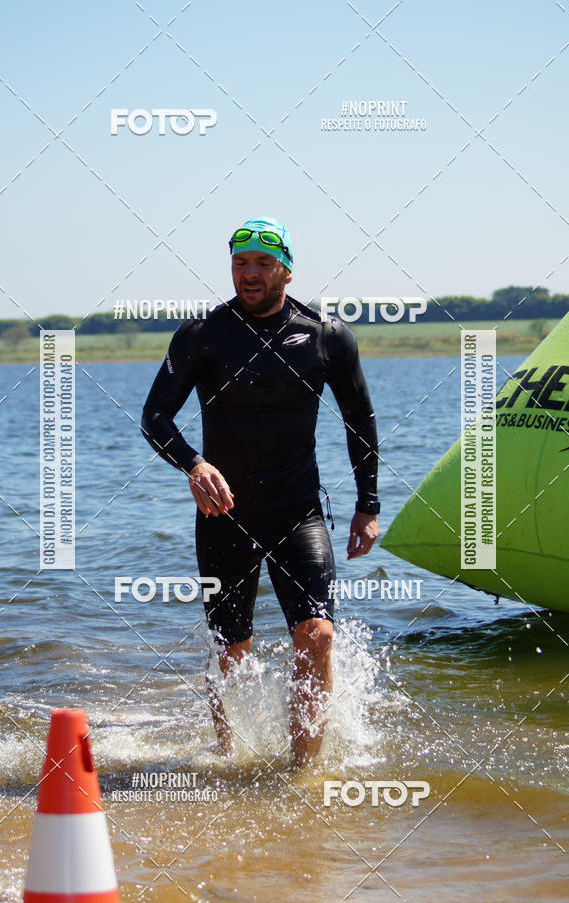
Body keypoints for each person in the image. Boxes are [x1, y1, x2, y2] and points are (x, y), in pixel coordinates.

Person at [141, 216, 380, 767]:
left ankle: (301, 776)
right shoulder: (202, 334)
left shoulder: (326, 336)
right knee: (231, 650)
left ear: (287, 271)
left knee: (318, 635)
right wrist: (194, 465)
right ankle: (229, 763)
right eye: (240, 262)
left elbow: (360, 421)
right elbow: (155, 416)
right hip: (224, 513)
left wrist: (367, 505)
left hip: (298, 511)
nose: (249, 274)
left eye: (263, 264)